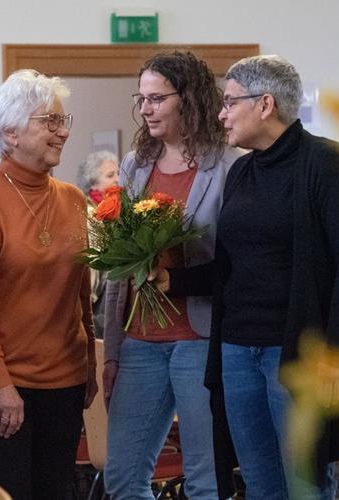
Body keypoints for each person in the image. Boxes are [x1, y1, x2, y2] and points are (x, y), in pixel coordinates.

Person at [156, 54, 339, 500]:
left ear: (265, 104)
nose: (221, 114)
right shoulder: (243, 169)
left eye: (229, 103)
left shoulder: (328, 164)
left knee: (303, 483)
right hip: (236, 349)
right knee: (260, 482)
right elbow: (233, 263)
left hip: (298, 354)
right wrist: (177, 281)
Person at [0, 69, 97, 500]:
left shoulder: (73, 198)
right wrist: (0, 385)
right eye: (47, 121)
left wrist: (86, 362)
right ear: (10, 132)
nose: (61, 132)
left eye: (62, 120)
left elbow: (80, 292)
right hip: (0, 384)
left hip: (64, 380)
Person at [101, 51, 242, 500]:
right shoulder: (135, 164)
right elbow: (115, 265)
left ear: (190, 99)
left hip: (197, 338)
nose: (146, 109)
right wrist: (111, 350)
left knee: (204, 480)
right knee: (123, 479)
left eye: (157, 99)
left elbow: (235, 260)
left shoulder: (229, 164)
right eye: (141, 99)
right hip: (139, 339)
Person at [76, 150, 120, 338]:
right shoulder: (90, 214)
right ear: (93, 182)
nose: (117, 180)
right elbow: (91, 262)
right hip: (96, 305)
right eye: (110, 175)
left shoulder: (113, 211)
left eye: (118, 174)